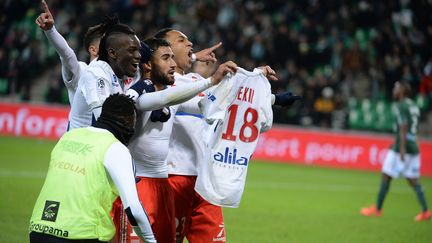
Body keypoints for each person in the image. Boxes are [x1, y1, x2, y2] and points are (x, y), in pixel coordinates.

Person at [156, 28, 300, 243]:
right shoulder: (162, 85)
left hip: (205, 182)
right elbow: (205, 103)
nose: (189, 43)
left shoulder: (195, 79)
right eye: (181, 40)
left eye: (188, 40)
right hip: (174, 179)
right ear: (163, 51)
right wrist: (270, 98)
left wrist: (267, 95)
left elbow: (223, 101)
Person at [113, 37, 239, 243]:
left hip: (162, 186)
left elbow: (205, 106)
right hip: (138, 183)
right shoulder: (138, 94)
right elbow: (164, 99)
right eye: (166, 58)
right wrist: (210, 81)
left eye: (173, 58)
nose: (173, 64)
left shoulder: (171, 95)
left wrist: (256, 89)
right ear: (147, 64)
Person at [29, 93, 156, 243]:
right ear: (129, 120)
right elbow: (134, 210)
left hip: (38, 229)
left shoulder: (68, 137)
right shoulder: (116, 148)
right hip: (82, 235)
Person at [360, 81, 431, 222]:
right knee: (413, 180)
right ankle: (426, 211)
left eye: (396, 87)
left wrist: (402, 150)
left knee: (386, 175)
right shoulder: (413, 105)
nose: (394, 90)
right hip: (414, 147)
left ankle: (377, 209)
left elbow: (403, 126)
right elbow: (413, 128)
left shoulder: (401, 105)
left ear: (403, 91)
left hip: (400, 148)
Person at [68, 15, 141, 129]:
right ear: (112, 53)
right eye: (132, 50)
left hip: (95, 143)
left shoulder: (119, 74)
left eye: (138, 50)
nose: (138, 56)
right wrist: (137, 91)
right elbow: (105, 121)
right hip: (80, 145)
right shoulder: (96, 73)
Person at [35, 0, 102, 105]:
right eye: (104, 44)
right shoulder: (81, 71)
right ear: (93, 49)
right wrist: (51, 31)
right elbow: (67, 54)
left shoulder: (113, 78)